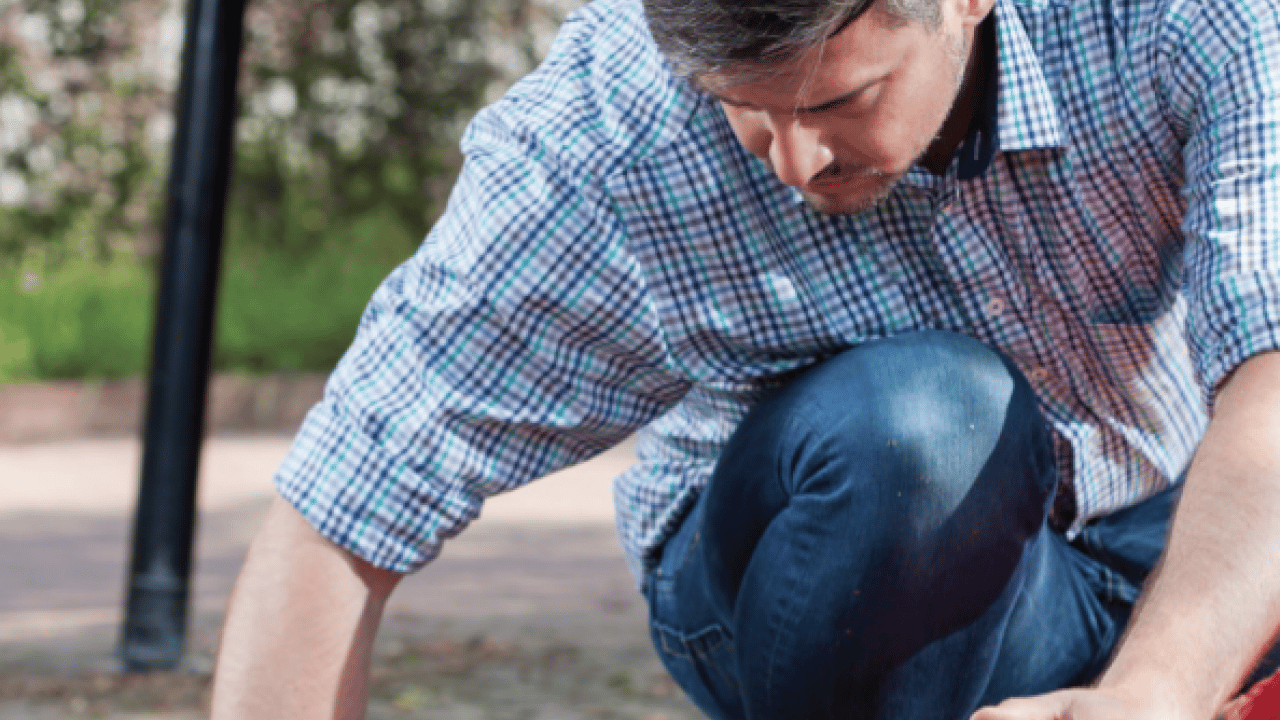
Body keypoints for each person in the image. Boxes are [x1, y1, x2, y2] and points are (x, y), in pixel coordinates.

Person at [210, 0, 1280, 715]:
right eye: (745, 112)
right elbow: (342, 504)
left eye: (834, 102)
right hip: (829, 564)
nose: (795, 164)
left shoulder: (1189, 20)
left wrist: (1154, 692)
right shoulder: (607, 133)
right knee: (929, 425)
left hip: (1157, 531)